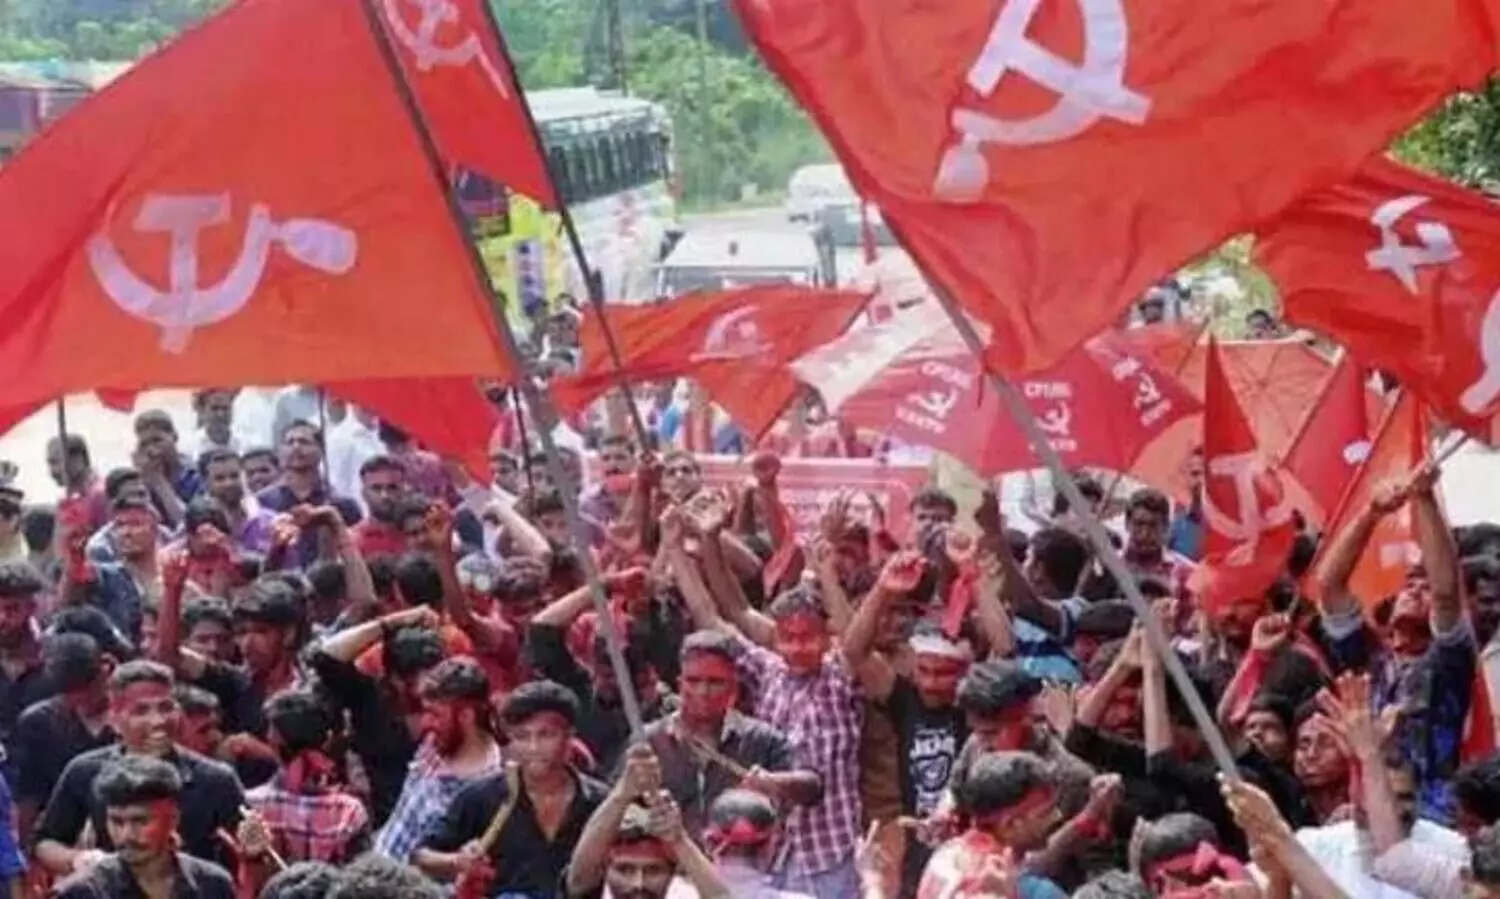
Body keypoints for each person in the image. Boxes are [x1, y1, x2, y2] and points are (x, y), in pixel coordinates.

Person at [34, 660, 245, 876]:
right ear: (114, 719)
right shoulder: (86, 771)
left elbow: (254, 852)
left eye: (166, 707)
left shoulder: (216, 779)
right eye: (141, 711)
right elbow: (45, 842)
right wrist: (81, 861)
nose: (158, 721)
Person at [414, 680, 608, 895]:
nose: (534, 748)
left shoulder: (602, 804)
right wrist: (458, 861)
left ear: (570, 735)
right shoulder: (480, 797)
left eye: (546, 735)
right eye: (522, 737)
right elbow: (421, 857)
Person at [50, 755, 235, 899]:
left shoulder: (213, 885)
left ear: (173, 819)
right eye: (116, 821)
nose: (126, 836)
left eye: (140, 821)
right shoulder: (83, 893)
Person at [375, 657, 504, 863]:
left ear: (466, 716)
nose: (426, 723)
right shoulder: (436, 744)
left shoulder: (491, 786)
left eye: (435, 714)